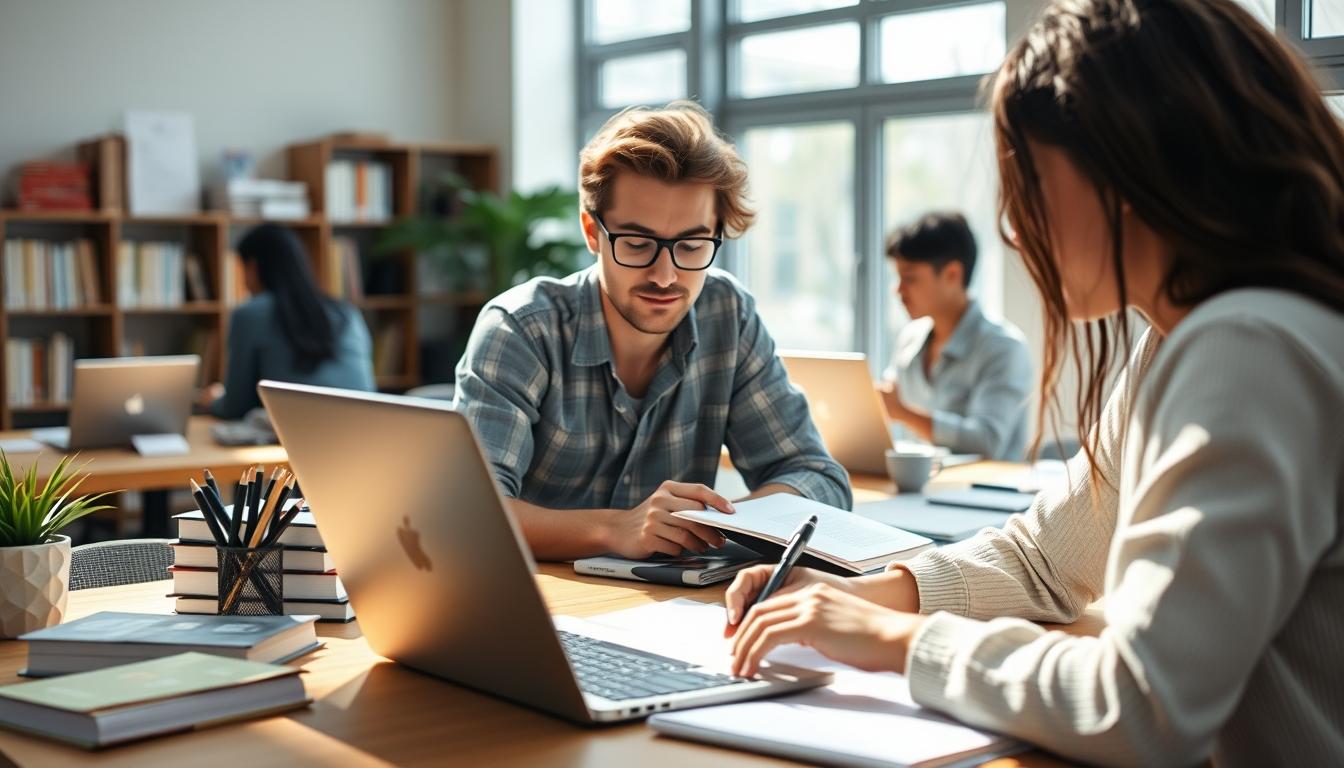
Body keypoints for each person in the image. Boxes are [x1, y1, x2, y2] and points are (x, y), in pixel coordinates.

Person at [722, 0, 1344, 765]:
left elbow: (1138, 706)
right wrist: (861, 595)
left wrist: (897, 640)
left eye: (1030, 180)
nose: (1014, 230)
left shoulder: (1249, 349)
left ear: (1129, 162)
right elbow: (1047, 560)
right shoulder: (1176, 341)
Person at [452, 101, 850, 562]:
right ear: (591, 232)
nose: (665, 275)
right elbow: (472, 517)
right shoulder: (522, 329)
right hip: (542, 607)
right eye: (637, 244)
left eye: (691, 244)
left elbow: (818, 476)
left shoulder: (729, 314)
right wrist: (613, 529)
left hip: (671, 609)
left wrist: (713, 524)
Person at [877, 212, 1031, 459]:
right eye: (897, 278)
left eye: (909, 278)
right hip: (918, 488)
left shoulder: (1004, 348)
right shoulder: (910, 339)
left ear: (952, 274)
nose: (898, 290)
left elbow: (987, 440)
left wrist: (903, 413)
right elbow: (888, 402)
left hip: (982, 492)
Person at [203, 224, 374, 419]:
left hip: (297, 438)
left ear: (254, 266)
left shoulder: (249, 314)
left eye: (243, 270)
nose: (244, 283)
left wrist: (213, 400)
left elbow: (235, 408)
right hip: (365, 432)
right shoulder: (347, 313)